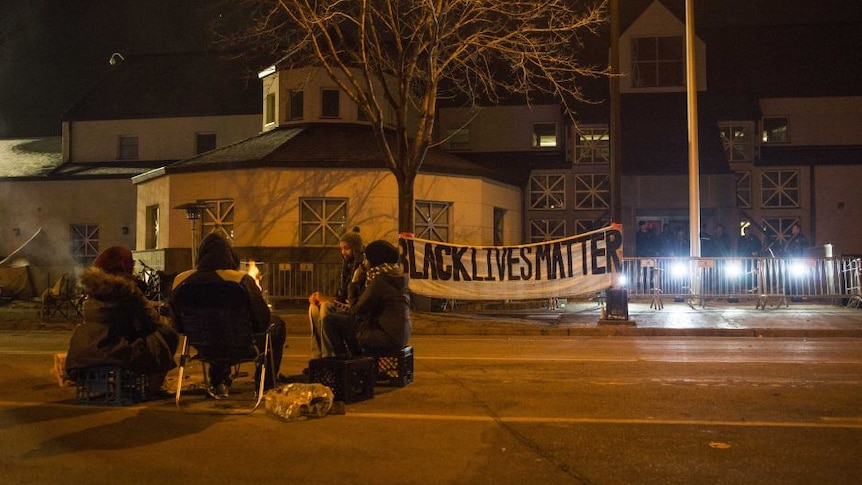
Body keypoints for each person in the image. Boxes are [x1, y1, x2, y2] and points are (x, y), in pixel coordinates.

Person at [170, 231, 286, 399]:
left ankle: (217, 382)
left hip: (203, 347)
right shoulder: (240, 280)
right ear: (229, 256)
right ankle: (265, 385)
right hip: (241, 346)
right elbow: (262, 319)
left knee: (214, 328)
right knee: (277, 324)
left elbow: (178, 324)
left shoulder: (180, 281)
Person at [65, 246, 179, 397]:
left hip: (81, 353)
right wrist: (171, 322)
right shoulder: (126, 289)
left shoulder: (93, 289)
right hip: (113, 348)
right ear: (124, 265)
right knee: (165, 334)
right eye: (131, 262)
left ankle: (114, 385)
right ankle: (154, 388)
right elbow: (153, 320)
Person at [308, 226, 365, 358]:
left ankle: (329, 356)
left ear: (355, 248)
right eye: (341, 249)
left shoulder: (361, 268)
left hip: (354, 309)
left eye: (346, 248)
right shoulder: (347, 266)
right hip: (345, 304)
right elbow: (341, 294)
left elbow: (354, 299)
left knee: (326, 307)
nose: (343, 252)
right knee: (314, 308)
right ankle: (318, 356)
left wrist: (327, 300)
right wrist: (320, 297)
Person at [349, 239, 412, 355]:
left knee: (332, 321)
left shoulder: (379, 281)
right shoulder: (394, 277)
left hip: (386, 337)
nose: (364, 262)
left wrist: (354, 283)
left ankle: (338, 366)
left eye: (366, 258)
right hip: (400, 335)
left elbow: (356, 311)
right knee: (350, 324)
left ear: (374, 260)